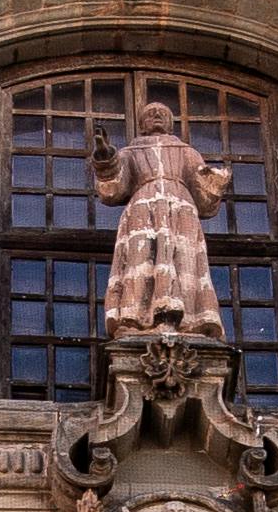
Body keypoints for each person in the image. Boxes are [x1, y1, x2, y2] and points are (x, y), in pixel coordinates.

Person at [91, 93, 233, 336]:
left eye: (162, 113)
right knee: (141, 257)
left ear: (170, 122)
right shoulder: (131, 151)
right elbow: (114, 187)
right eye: (150, 114)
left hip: (182, 209)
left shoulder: (186, 151)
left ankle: (189, 320)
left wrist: (215, 181)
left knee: (184, 258)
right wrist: (106, 159)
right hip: (142, 208)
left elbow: (203, 193)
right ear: (142, 124)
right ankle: (134, 319)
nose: (156, 115)